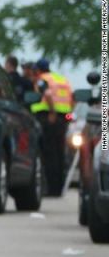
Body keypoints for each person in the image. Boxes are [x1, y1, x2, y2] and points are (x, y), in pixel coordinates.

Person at [31, 57, 74, 195]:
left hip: (48, 117)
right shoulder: (61, 79)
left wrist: (52, 113)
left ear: (38, 69)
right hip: (63, 118)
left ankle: (50, 188)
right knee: (59, 153)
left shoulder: (42, 79)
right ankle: (58, 188)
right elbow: (73, 99)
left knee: (48, 154)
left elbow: (48, 94)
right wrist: (68, 115)